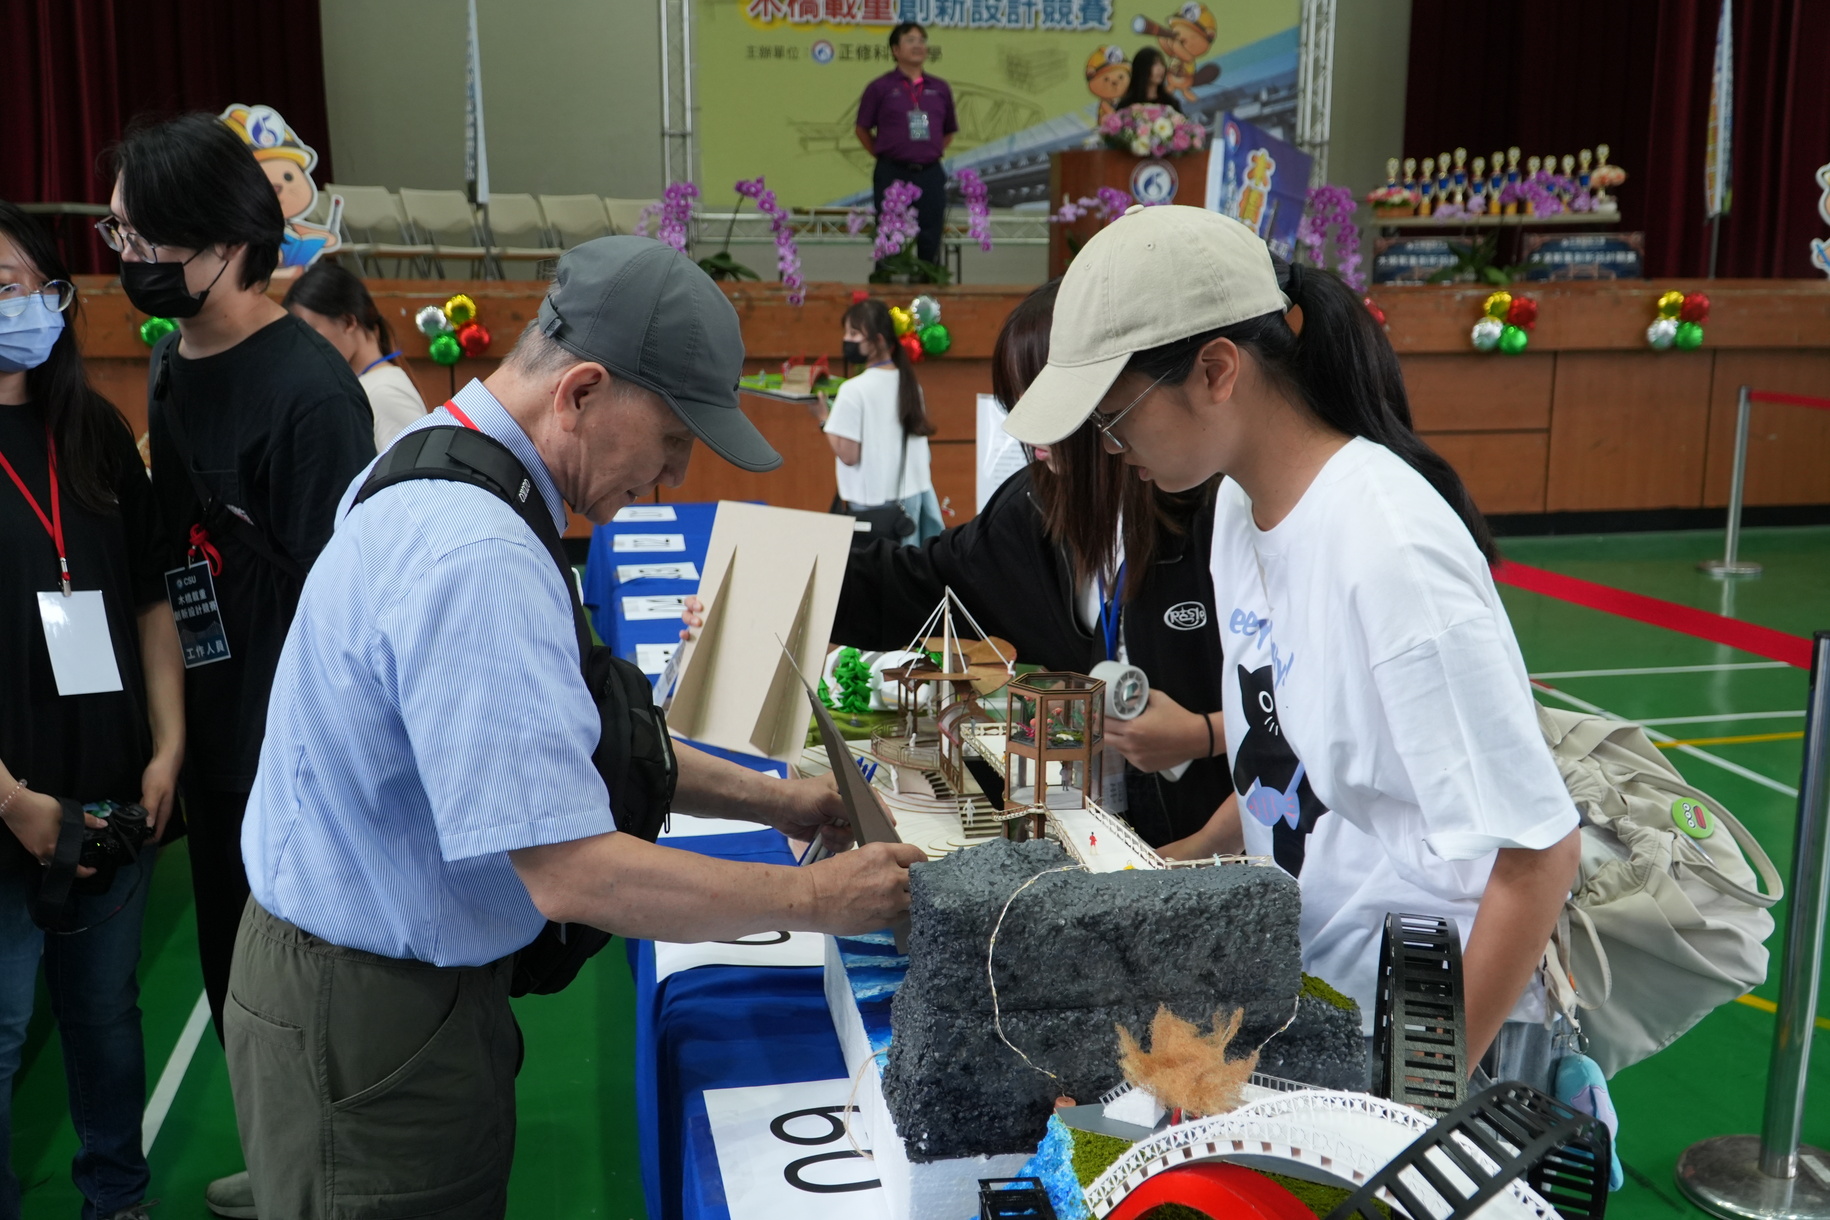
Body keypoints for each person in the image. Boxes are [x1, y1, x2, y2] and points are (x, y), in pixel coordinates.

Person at [227, 236, 925, 1220]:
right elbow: (575, 870)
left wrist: (784, 798)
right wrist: (815, 894)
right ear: (584, 392)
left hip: (375, 987)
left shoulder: (443, 462)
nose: (672, 478)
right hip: (370, 1010)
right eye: (672, 444)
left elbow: (566, 743)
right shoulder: (475, 553)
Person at [1001, 204, 1582, 1084]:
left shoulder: (1390, 552)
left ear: (1217, 371)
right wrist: (1182, 858)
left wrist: (1419, 1088)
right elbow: (1283, 747)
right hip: (1319, 991)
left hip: (1441, 1027)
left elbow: (1537, 856)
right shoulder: (1240, 507)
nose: (1112, 452)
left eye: (1116, 420)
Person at [101, 111, 376, 1216]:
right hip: (216, 745)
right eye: (119, 237)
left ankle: (334, 1178)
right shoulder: (173, 368)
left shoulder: (312, 394)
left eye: (145, 239)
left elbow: (344, 611)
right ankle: (283, 1162)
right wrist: (171, 738)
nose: (130, 262)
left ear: (221, 238)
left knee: (316, 986)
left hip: (301, 754)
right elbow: (174, 568)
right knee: (235, 978)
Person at [826, 282, 1232, 847]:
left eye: (1041, 402)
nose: (1024, 428)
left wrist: (1205, 737)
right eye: (1013, 405)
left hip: (1221, 851)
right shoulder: (1033, 506)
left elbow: (1306, 723)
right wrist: (785, 573)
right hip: (1098, 836)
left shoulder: (1213, 513)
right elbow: (917, 582)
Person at [0, 201, 184, 1220]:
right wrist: (15, 801)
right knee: (0, 1026)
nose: (7, 307)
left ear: (59, 296)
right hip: (6, 801)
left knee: (106, 1016)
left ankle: (118, 1194)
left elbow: (153, 597)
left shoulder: (97, 430)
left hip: (114, 793)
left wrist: (169, 743)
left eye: (15, 286)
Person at [812, 297, 942, 545]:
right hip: (911, 502)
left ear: (879, 340)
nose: (847, 340)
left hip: (871, 509)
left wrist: (823, 419)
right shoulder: (910, 384)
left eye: (854, 333)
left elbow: (849, 455)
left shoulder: (853, 390)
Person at [282, 261, 427, 449]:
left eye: (311, 332)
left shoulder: (384, 391)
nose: (304, 346)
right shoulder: (367, 385)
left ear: (348, 322)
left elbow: (412, 473)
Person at [854, 20, 957, 272]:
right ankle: (888, 284)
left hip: (930, 172)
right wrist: (886, 153)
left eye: (922, 40)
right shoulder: (880, 88)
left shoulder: (939, 88)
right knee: (890, 232)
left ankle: (927, 285)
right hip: (893, 172)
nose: (918, 45)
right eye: (910, 40)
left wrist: (927, 152)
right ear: (895, 50)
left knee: (931, 231)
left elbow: (949, 131)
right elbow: (862, 129)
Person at [1114, 46, 1183, 112]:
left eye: (1162, 64)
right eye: (1154, 64)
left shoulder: (1170, 103)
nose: (1160, 69)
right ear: (1142, 68)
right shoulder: (1126, 105)